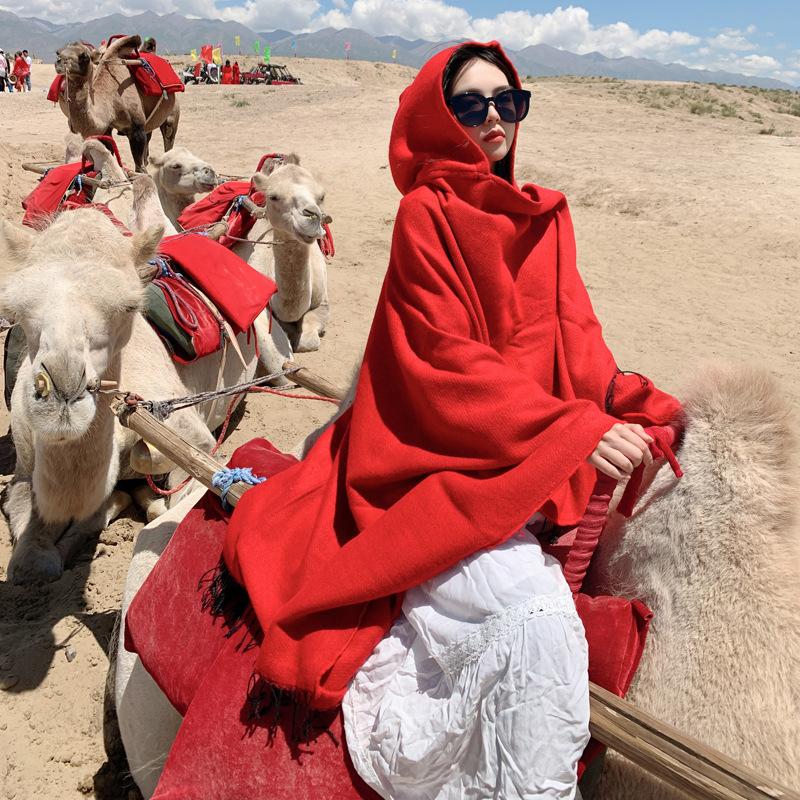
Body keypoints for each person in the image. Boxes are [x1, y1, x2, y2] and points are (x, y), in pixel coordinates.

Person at [125, 40, 681, 800]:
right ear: (439, 117)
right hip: (435, 456)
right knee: (536, 617)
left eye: (507, 102)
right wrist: (571, 432)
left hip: (524, 439)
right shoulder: (429, 212)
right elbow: (438, 360)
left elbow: (576, 340)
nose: (494, 118)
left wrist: (625, 398)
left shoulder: (546, 217)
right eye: (472, 104)